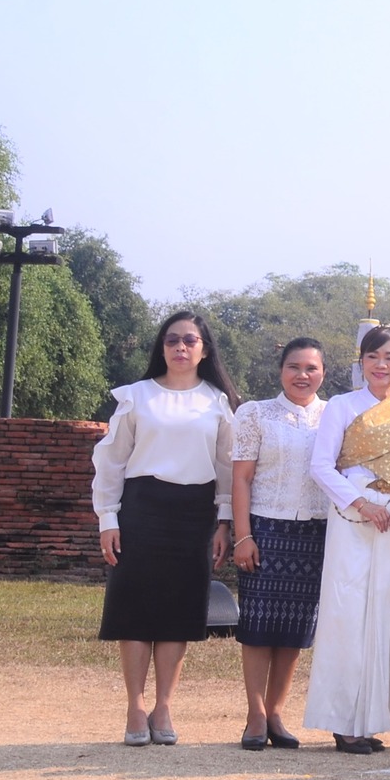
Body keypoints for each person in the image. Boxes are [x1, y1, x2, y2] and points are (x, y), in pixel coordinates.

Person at [91, 311, 240, 746]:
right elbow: (111, 460)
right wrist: (107, 519)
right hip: (141, 509)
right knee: (134, 610)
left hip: (193, 514)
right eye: (172, 340)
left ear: (204, 349)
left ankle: (164, 706)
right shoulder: (137, 396)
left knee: (178, 613)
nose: (180, 348)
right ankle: (136, 706)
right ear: (161, 347)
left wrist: (224, 523)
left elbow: (226, 468)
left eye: (189, 341)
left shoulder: (217, 401)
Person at [305, 323, 390, 753]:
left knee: (389, 617)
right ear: (362, 361)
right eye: (373, 356)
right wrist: (363, 505)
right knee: (348, 616)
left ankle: (373, 717)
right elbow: (322, 467)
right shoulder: (341, 407)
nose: (381, 365)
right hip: (355, 521)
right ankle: (343, 721)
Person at [227, 337, 330, 751]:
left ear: (323, 372)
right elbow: (241, 479)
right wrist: (243, 536)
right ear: (281, 371)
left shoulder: (333, 415)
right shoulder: (256, 414)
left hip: (314, 533)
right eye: (294, 367)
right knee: (257, 628)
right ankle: (254, 714)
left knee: (294, 631)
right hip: (265, 531)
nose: (302, 376)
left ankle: (275, 712)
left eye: (311, 368)